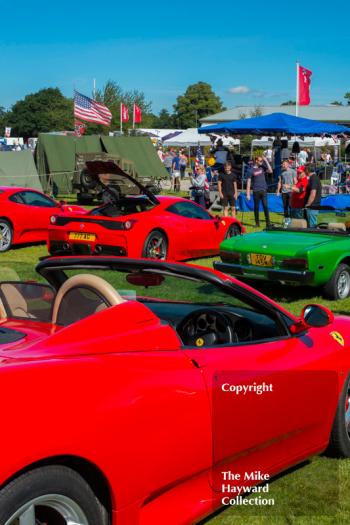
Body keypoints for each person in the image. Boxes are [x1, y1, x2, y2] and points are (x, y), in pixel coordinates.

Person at [246, 156, 273, 227]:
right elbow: (248, 182)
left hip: (263, 189)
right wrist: (248, 194)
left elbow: (270, 171)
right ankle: (257, 223)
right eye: (260, 161)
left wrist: (266, 161)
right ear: (256, 161)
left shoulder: (263, 167)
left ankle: (268, 223)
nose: (261, 162)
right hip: (256, 190)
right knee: (256, 207)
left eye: (262, 161)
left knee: (265, 206)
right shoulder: (250, 170)